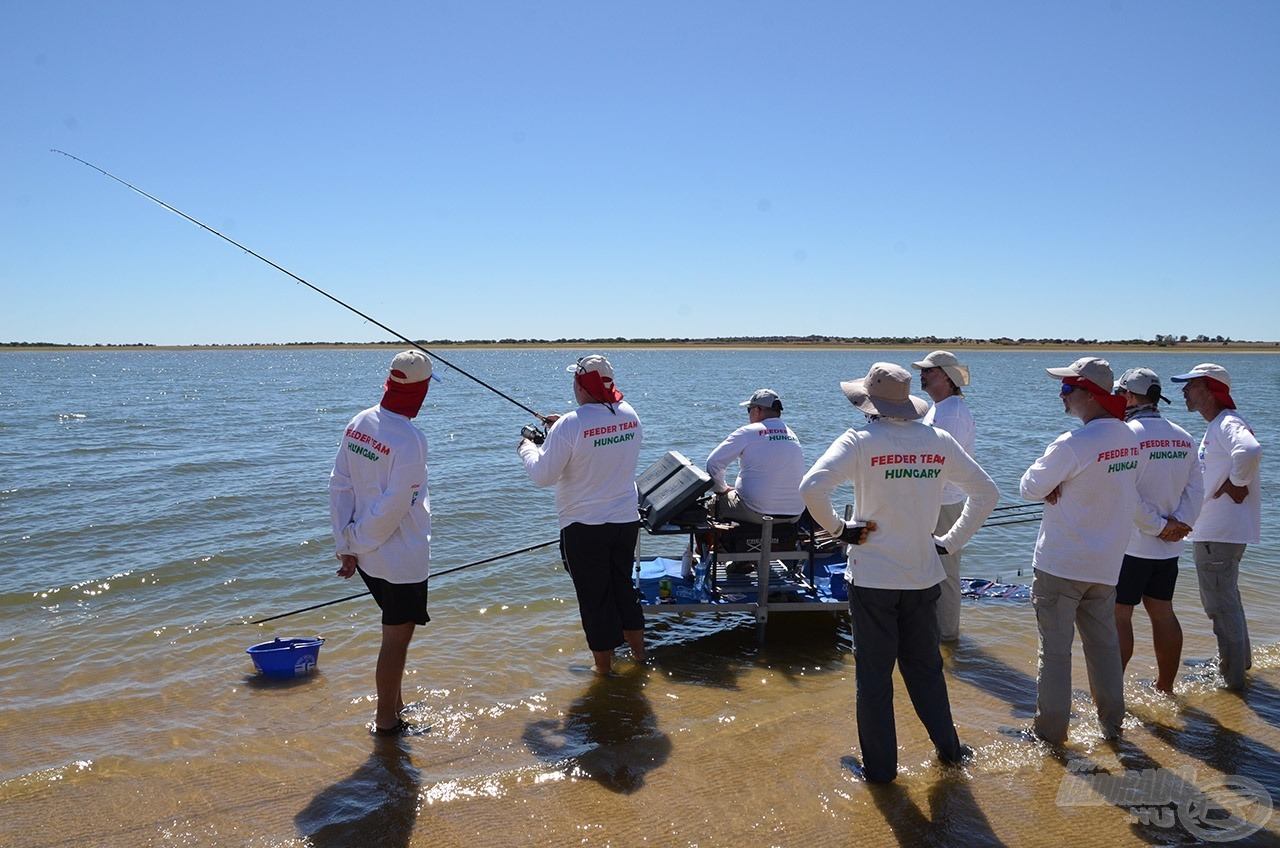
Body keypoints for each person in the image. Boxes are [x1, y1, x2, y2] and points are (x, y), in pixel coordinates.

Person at [800, 363, 998, 783]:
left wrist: (839, 529)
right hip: (923, 577)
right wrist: (950, 541)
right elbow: (987, 493)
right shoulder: (938, 439)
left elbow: (812, 487)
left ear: (867, 404)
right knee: (926, 671)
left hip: (872, 581)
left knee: (874, 680)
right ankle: (951, 754)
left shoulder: (859, 441)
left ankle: (881, 771)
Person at [1019, 357, 1140, 744]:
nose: (1062, 395)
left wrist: (1056, 486)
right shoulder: (1128, 437)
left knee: (1054, 653)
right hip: (1106, 565)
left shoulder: (1072, 443)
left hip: (1061, 564)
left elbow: (1028, 487)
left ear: (1090, 395)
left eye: (1068, 389)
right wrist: (1056, 485)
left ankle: (1051, 734)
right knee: (1104, 648)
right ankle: (1112, 727)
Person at [518, 354, 646, 675]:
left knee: (594, 599)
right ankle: (640, 657)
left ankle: (603, 671)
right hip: (625, 521)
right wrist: (562, 426)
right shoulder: (629, 414)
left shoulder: (570, 425)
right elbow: (599, 434)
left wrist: (527, 447)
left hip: (584, 527)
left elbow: (542, 476)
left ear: (580, 383)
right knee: (623, 589)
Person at [328, 350, 434, 735]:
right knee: (397, 637)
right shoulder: (410, 440)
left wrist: (346, 543)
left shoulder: (360, 421)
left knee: (394, 631)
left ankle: (396, 702)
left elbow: (339, 484)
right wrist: (356, 541)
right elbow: (394, 505)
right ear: (420, 391)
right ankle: (386, 719)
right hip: (399, 558)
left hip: (367, 557)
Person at [1170, 363, 1263, 690]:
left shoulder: (1227, 423)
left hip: (1219, 535)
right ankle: (1240, 664)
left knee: (1220, 608)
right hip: (1218, 533)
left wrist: (1237, 482)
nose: (1184, 391)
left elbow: (1250, 450)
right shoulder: (1219, 425)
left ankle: (1232, 682)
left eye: (1191, 386)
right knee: (1228, 602)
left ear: (1210, 390)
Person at [1113, 368, 1203, 695]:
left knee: (1119, 616)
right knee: (1163, 612)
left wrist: (1158, 526)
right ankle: (1165, 688)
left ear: (1127, 396)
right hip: (1170, 546)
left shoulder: (1125, 435)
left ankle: (1111, 695)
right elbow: (1197, 489)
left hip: (1132, 545)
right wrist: (1179, 524)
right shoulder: (1184, 435)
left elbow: (1126, 493)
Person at [911, 350, 975, 643]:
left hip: (946, 503)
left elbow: (944, 463)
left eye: (929, 371)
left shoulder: (953, 412)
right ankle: (933, 632)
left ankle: (948, 636)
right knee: (928, 569)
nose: (922, 375)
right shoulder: (938, 408)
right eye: (923, 370)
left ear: (946, 377)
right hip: (932, 502)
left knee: (946, 574)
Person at [705, 388, 806, 524]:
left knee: (711, 504)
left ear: (757, 410)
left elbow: (713, 463)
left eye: (749, 410)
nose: (749, 414)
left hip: (757, 512)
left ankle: (711, 546)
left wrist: (721, 490)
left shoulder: (747, 432)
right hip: (794, 515)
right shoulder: (792, 435)